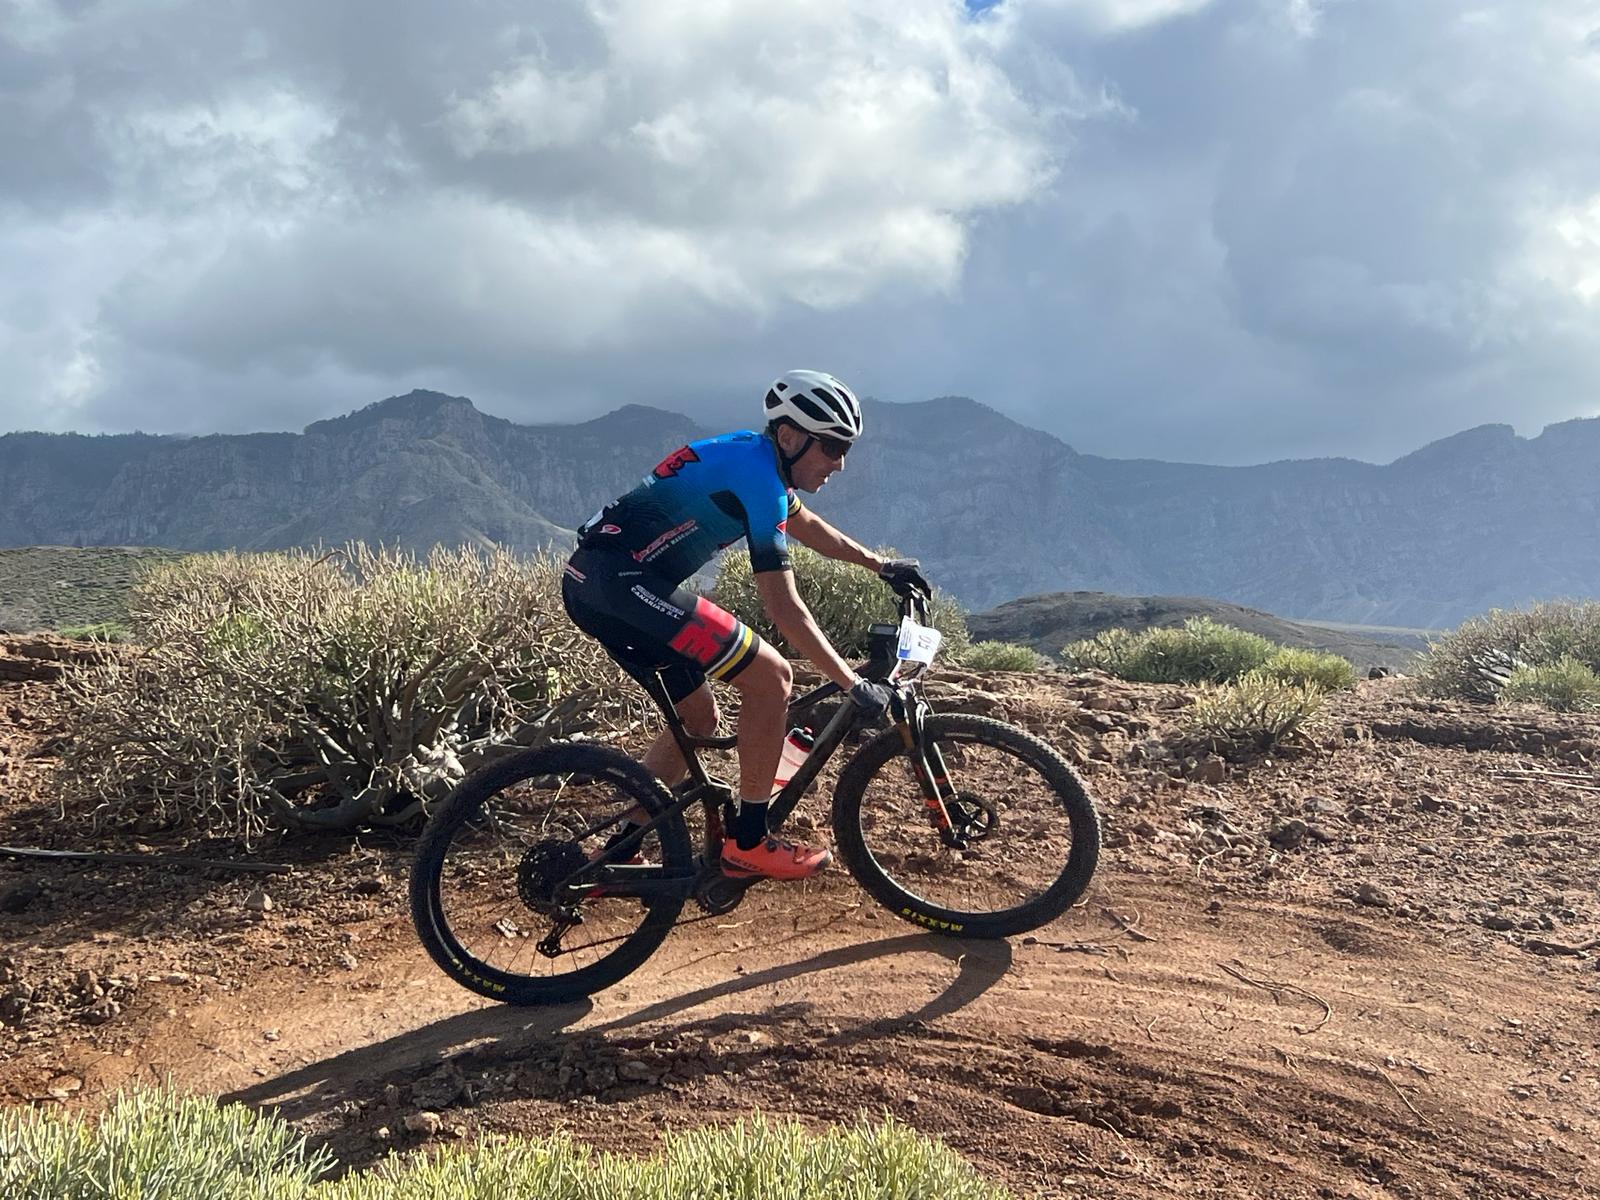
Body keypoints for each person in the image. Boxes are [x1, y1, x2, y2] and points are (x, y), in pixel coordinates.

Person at [561, 370, 930, 880]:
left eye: (845, 448)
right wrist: (851, 684)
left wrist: (880, 565)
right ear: (790, 436)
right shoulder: (758, 478)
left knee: (699, 719)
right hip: (620, 586)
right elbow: (784, 608)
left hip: (601, 585)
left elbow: (807, 525)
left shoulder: (754, 460)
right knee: (772, 677)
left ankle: (622, 848)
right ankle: (749, 843)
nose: (840, 463)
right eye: (832, 446)